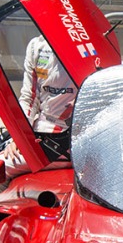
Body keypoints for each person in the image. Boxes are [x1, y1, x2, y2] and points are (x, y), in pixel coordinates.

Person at [18, 33, 77, 161]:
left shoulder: (90, 47)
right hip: (42, 134)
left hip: (77, 141)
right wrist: (18, 138)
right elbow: (28, 98)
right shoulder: (36, 45)